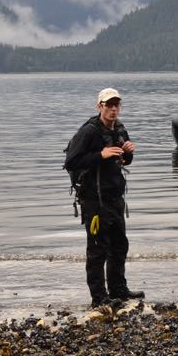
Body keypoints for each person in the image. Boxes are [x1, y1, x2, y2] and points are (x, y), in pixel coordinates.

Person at [64, 87, 144, 307]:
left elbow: (123, 161)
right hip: (94, 201)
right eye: (109, 105)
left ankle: (118, 290)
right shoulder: (88, 132)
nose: (113, 109)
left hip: (115, 198)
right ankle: (99, 299)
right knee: (98, 251)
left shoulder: (120, 129)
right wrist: (101, 154)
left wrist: (128, 153)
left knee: (119, 246)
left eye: (116, 105)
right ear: (99, 106)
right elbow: (71, 162)